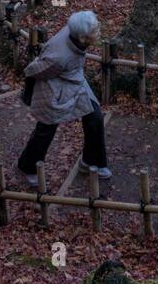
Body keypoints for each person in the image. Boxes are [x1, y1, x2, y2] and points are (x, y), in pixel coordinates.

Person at [17, 10, 111, 187]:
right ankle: (27, 166)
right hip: (54, 87)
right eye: (94, 30)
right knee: (46, 128)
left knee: (95, 116)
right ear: (83, 38)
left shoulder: (74, 31)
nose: (99, 31)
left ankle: (91, 161)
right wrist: (29, 94)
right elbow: (33, 70)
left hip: (75, 79)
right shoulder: (58, 58)